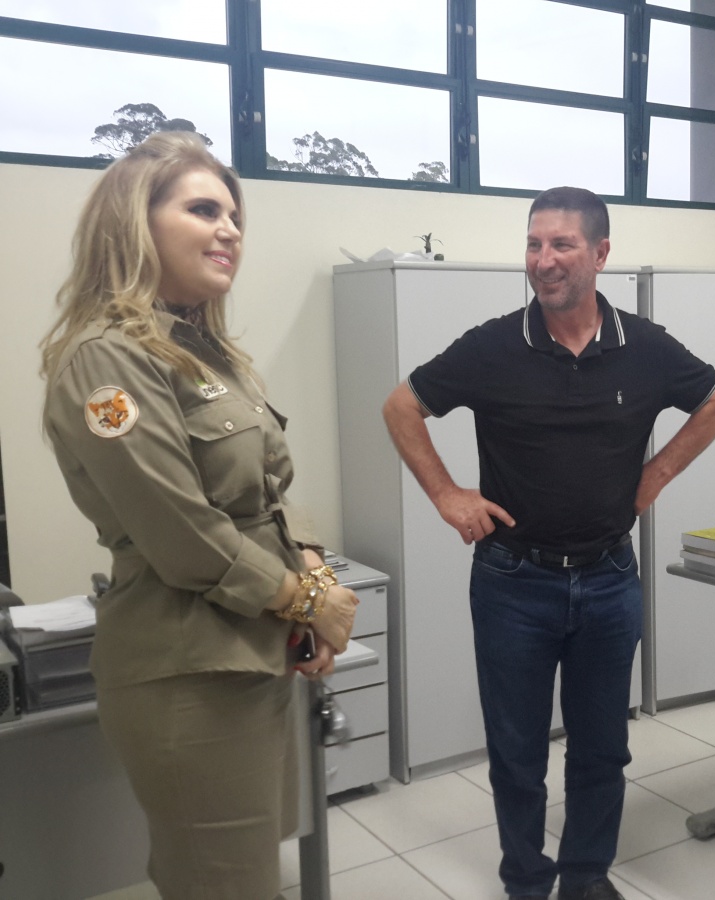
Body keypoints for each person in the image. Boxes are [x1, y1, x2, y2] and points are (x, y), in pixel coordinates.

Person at [383, 186, 715, 900]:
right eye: (533, 244)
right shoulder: (493, 346)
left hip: (609, 579)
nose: (543, 261)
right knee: (517, 754)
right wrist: (448, 495)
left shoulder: (644, 346)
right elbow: (402, 407)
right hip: (514, 581)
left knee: (602, 748)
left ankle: (584, 877)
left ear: (600, 254)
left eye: (561, 245)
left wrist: (657, 474)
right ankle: (525, 881)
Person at [40, 132, 358, 900]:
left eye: (235, 216)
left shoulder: (203, 352)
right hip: (190, 672)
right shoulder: (105, 358)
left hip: (253, 650)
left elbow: (272, 492)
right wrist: (307, 602)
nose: (230, 230)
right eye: (204, 210)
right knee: (222, 883)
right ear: (134, 223)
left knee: (246, 874)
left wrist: (315, 584)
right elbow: (182, 532)